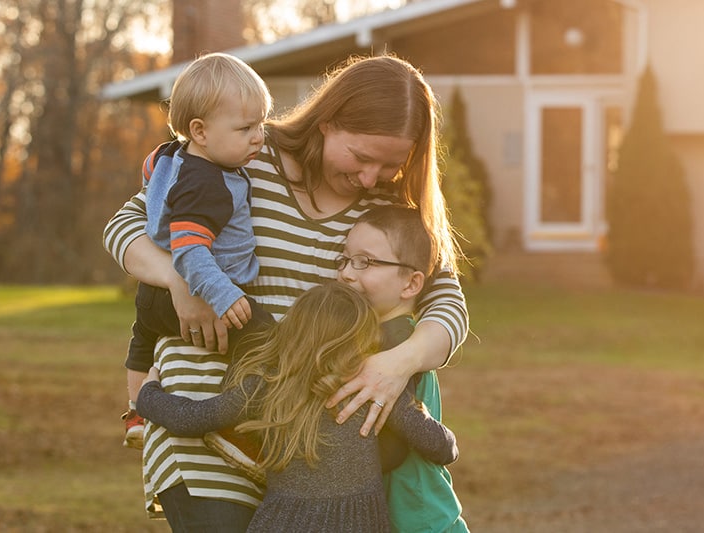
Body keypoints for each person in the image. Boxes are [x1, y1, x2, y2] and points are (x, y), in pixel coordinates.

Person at [103, 53, 469, 530]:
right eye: (360, 157)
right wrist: (182, 277)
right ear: (327, 121)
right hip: (205, 418)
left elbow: (448, 301)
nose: (370, 177)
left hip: (308, 456)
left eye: (390, 164)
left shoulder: (387, 204)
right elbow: (125, 225)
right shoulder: (244, 152)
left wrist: (396, 364)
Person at [136, 282, 459, 533]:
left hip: (279, 522)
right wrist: (425, 416)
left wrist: (148, 393)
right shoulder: (367, 389)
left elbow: (191, 418)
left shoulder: (268, 385)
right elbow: (441, 449)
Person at [121, 52, 274, 449]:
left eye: (260, 123)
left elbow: (149, 172)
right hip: (199, 289)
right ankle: (233, 423)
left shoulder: (169, 155)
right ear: (200, 131)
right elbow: (190, 249)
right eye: (244, 128)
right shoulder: (210, 186)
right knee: (266, 340)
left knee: (141, 342)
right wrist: (222, 295)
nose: (258, 136)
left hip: (152, 294)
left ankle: (136, 413)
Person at [337, 205, 468, 532]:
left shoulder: (396, 342)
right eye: (345, 259)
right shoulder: (385, 337)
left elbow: (394, 447)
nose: (347, 274)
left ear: (411, 284)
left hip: (418, 518)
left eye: (365, 262)